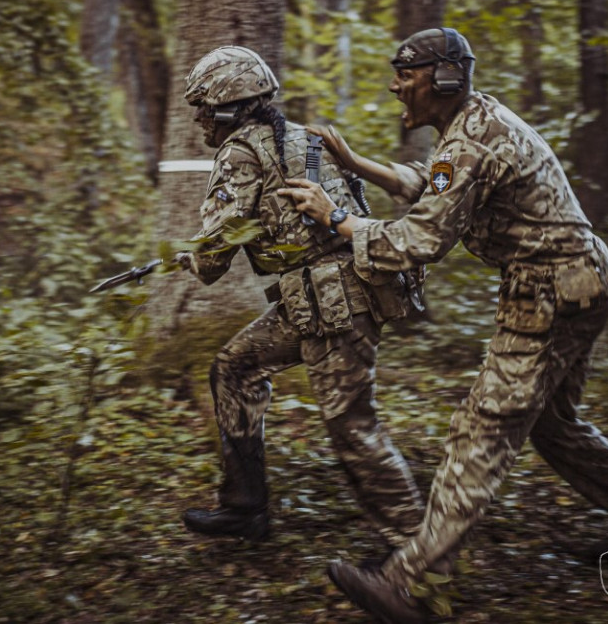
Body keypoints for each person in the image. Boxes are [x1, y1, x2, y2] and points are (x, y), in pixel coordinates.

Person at [279, 28, 608, 622]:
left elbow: (417, 240)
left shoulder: (473, 138)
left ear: (444, 78)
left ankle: (412, 585)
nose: (397, 85)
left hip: (551, 291)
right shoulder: (470, 127)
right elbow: (432, 187)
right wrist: (354, 164)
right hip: (581, 282)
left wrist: (337, 216)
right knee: (553, 426)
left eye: (407, 74)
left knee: (484, 430)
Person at [176, 45, 426, 549]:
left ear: (229, 106)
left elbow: (211, 258)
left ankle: (418, 549)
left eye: (204, 107)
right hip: (321, 299)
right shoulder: (301, 137)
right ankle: (245, 508)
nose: (200, 119)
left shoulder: (240, 152)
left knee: (352, 427)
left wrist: (191, 257)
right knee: (234, 369)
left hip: (334, 306)